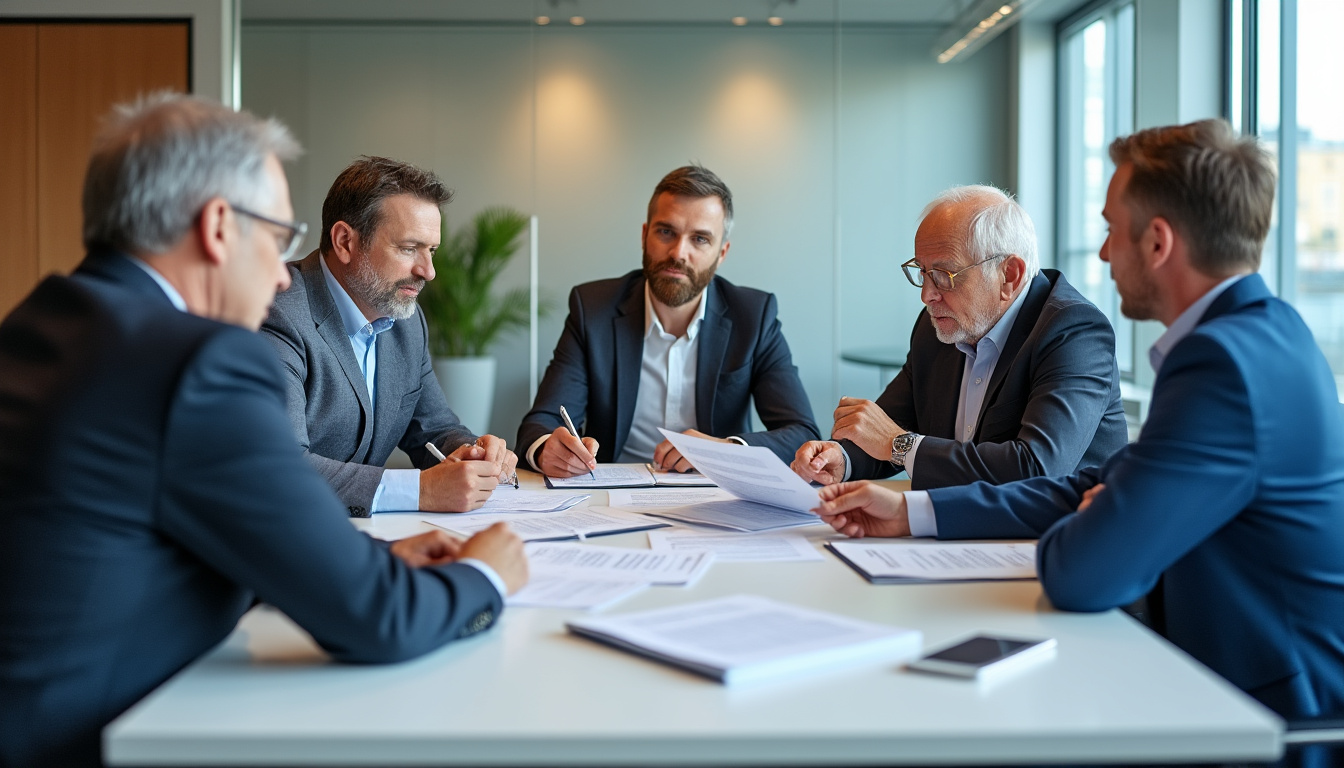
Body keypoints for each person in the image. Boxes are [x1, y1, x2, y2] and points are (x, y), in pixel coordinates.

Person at [0, 94, 528, 768]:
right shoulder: (198, 361)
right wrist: (485, 574)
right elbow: (377, 621)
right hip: (97, 738)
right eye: (278, 236)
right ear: (219, 226)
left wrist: (345, 562)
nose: (283, 271)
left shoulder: (39, 322)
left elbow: (131, 540)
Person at [815, 120, 1344, 737]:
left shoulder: (1220, 363)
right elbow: (1094, 482)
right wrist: (910, 513)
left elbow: (1083, 572)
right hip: (1224, 676)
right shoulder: (1267, 333)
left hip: (1266, 712)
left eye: (1110, 229)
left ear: (1158, 243)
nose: (1100, 253)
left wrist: (1103, 516)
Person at [793, 185, 1127, 491]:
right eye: (922, 272)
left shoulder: (1074, 331)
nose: (927, 295)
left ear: (1009, 275)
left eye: (943, 275)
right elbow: (886, 427)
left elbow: (1037, 468)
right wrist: (842, 459)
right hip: (957, 533)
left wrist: (900, 444)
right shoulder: (937, 328)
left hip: (1052, 539)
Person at [517, 165, 820, 476]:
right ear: (645, 235)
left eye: (700, 239)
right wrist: (547, 449)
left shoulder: (754, 316)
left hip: (718, 496)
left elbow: (803, 433)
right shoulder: (593, 309)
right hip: (610, 492)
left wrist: (723, 450)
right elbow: (542, 422)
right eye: (666, 232)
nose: (678, 253)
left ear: (722, 253)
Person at [262, 157, 518, 516]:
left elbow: (434, 428)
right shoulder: (277, 312)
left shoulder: (408, 321)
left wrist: (473, 451)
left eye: (432, 251)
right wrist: (420, 490)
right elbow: (280, 466)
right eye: (409, 248)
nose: (427, 271)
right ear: (345, 242)